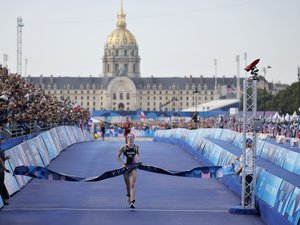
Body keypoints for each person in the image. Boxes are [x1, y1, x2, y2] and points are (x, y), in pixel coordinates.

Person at [116, 133, 140, 209]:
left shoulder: (136, 147)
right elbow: (117, 157)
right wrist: (122, 164)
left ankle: (132, 202)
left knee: (132, 185)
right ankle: (128, 196)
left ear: (134, 138)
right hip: (125, 168)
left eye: (132, 137)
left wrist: (138, 161)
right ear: (127, 138)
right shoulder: (123, 147)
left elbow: (138, 155)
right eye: (129, 137)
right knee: (127, 185)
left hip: (133, 167)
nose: (130, 139)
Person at [236, 137, 254, 206]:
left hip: (247, 172)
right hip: (248, 171)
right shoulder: (249, 151)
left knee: (246, 187)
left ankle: (246, 202)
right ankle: (245, 201)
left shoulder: (247, 152)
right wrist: (239, 159)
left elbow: (244, 164)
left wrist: (238, 171)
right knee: (246, 187)